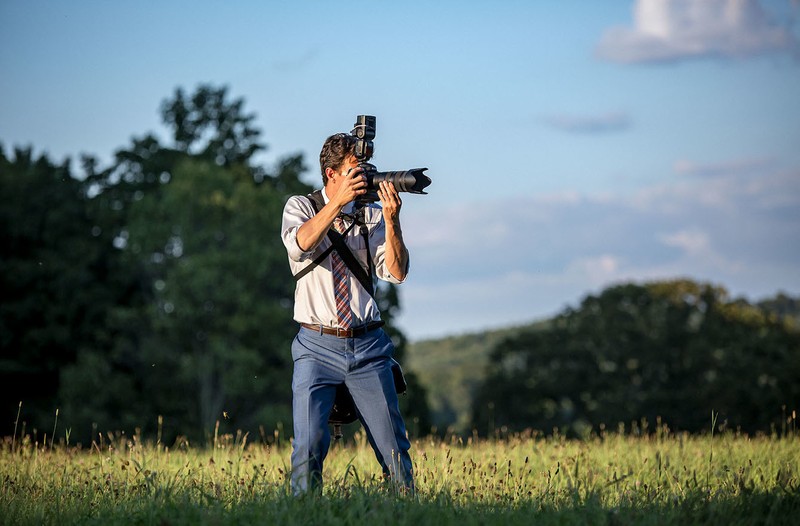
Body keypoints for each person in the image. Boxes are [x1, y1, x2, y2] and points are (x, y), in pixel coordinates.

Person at [280, 132, 414, 495]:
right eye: (356, 173)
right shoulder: (301, 206)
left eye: (366, 173)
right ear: (331, 174)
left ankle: (409, 510)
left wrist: (391, 221)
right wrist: (337, 204)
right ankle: (303, 515)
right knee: (308, 447)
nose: (363, 180)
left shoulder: (370, 214)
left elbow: (397, 273)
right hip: (315, 344)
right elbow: (300, 244)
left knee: (393, 449)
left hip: (369, 345)